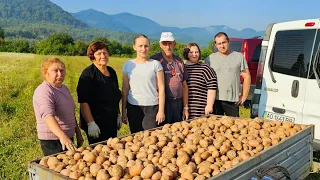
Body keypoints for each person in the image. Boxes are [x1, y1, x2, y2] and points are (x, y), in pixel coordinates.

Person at [33, 57, 83, 156]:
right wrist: (62, 136)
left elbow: (71, 113)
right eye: (55, 71)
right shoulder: (44, 91)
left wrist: (77, 132)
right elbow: (47, 116)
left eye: (62, 70)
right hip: (53, 140)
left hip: (67, 137)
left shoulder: (64, 89)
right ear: (45, 73)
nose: (60, 74)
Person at [77, 42, 121, 144]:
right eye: (99, 54)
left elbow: (115, 95)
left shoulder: (112, 72)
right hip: (96, 123)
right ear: (92, 56)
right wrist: (91, 123)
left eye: (105, 53)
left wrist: (118, 114)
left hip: (111, 121)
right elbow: (83, 102)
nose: (103, 56)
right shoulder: (87, 75)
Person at [122, 34, 165, 133]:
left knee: (150, 137)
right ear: (134, 47)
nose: (143, 49)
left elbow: (161, 88)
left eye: (146, 46)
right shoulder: (128, 65)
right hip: (133, 106)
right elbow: (125, 89)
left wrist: (161, 110)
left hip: (152, 107)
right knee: (135, 137)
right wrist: (124, 111)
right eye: (140, 46)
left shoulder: (155, 64)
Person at [205, 32, 251, 117]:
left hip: (232, 101)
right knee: (216, 127)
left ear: (228, 42)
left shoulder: (239, 57)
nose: (222, 46)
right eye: (219, 43)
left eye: (224, 42)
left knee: (234, 127)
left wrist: (244, 96)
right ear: (215, 45)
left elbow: (246, 76)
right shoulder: (210, 59)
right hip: (215, 100)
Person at [150, 32, 189, 123]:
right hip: (161, 103)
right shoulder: (155, 60)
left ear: (174, 44)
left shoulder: (179, 61)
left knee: (177, 131)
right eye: (165, 44)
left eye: (170, 43)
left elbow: (184, 85)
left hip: (177, 103)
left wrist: (186, 107)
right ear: (160, 45)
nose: (168, 47)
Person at [183, 43, 217, 119]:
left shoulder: (205, 68)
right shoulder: (182, 67)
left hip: (200, 109)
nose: (194, 55)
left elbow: (212, 87)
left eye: (196, 52)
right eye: (191, 52)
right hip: (184, 109)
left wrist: (209, 105)